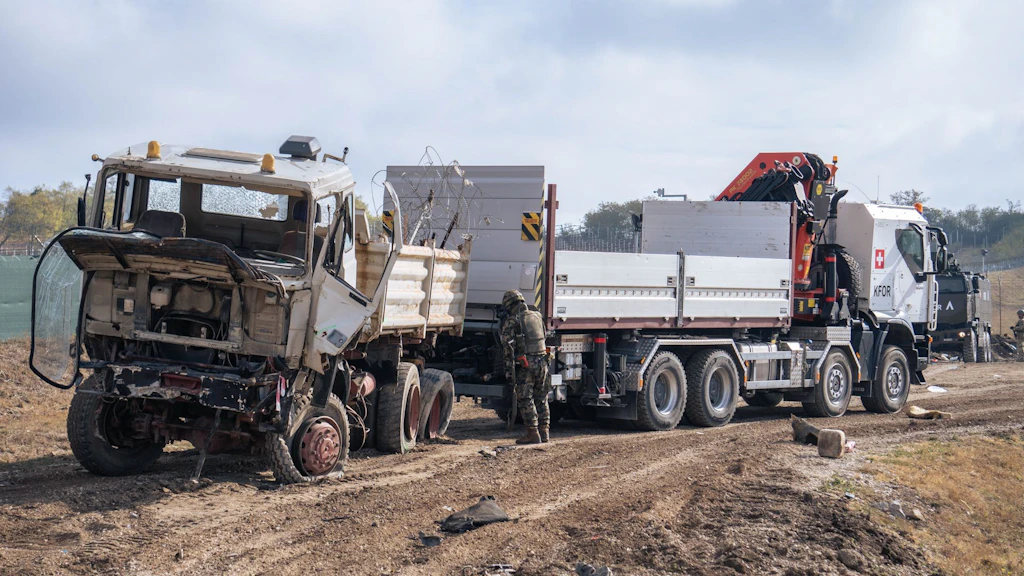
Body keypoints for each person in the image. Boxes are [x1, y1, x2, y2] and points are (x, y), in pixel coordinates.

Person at [499, 290, 551, 444]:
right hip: (542, 360)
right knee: (541, 397)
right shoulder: (537, 316)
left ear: (509, 305)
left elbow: (508, 348)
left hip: (526, 365)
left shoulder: (512, 321)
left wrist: (509, 371)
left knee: (525, 399)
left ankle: (532, 433)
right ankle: (545, 431)